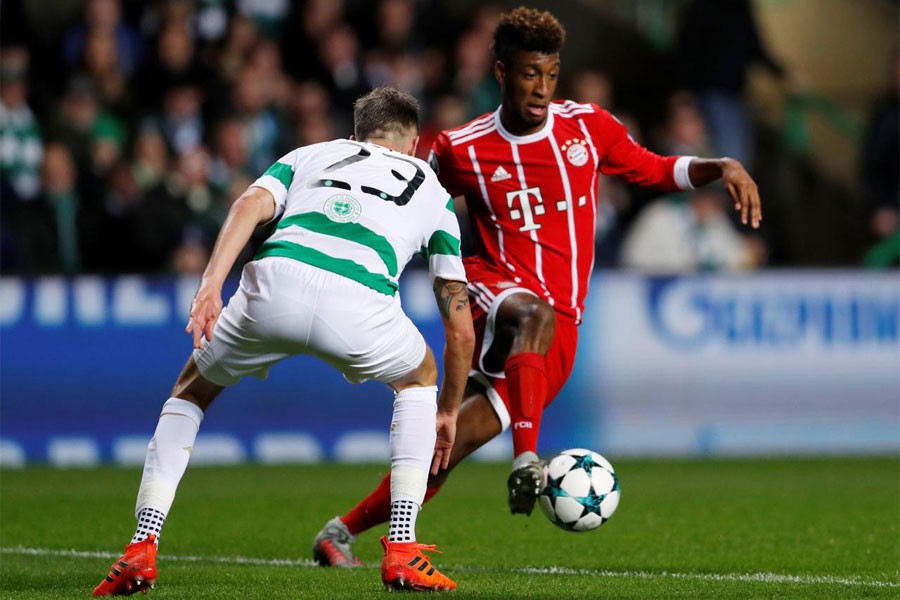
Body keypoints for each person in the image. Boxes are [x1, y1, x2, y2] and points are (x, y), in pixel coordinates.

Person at [312, 6, 762, 567]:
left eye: (550, 74)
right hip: (492, 289)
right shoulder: (462, 146)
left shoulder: (587, 128)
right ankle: (527, 459)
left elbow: (653, 169)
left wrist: (719, 165)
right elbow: (412, 199)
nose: (542, 88)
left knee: (445, 452)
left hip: (557, 333)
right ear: (501, 72)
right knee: (532, 313)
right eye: (529, 74)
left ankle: (339, 532)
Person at [92, 86, 474, 595]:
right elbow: (460, 322)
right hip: (360, 302)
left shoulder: (312, 153)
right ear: (412, 143)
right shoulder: (432, 188)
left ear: (356, 133)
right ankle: (402, 548)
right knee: (419, 377)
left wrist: (210, 286)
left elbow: (250, 203)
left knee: (190, 392)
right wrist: (448, 410)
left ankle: (141, 547)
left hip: (275, 284)